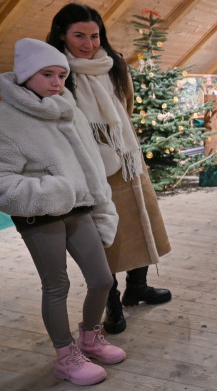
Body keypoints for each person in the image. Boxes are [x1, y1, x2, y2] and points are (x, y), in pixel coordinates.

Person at [0, 38, 126, 385]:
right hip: (40, 214)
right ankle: (65, 356)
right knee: (56, 285)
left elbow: (86, 160)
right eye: (47, 74)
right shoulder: (7, 118)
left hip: (79, 205)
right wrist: (52, 191)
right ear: (26, 75)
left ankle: (90, 337)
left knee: (102, 278)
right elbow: (3, 182)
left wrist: (98, 194)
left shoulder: (67, 107)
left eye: (60, 74)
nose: (56, 82)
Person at [47, 3, 171, 335]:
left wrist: (120, 141)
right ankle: (112, 306)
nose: (88, 44)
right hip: (91, 167)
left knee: (142, 225)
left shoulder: (113, 65)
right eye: (79, 36)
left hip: (127, 159)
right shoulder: (57, 71)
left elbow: (126, 105)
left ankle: (138, 286)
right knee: (107, 236)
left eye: (94, 35)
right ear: (62, 35)